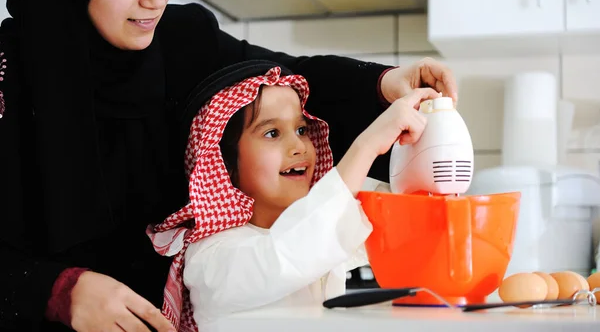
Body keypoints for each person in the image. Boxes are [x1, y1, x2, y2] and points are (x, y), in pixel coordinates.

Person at [0, 0, 458, 331]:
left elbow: (288, 78)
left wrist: (383, 84)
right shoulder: (9, 80)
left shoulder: (180, 41)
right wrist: (56, 292)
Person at [146, 62, 441, 332]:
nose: (299, 145)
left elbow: (398, 208)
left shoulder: (311, 218)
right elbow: (288, 253)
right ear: (225, 165)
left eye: (301, 129)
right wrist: (367, 145)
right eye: (272, 133)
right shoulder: (210, 258)